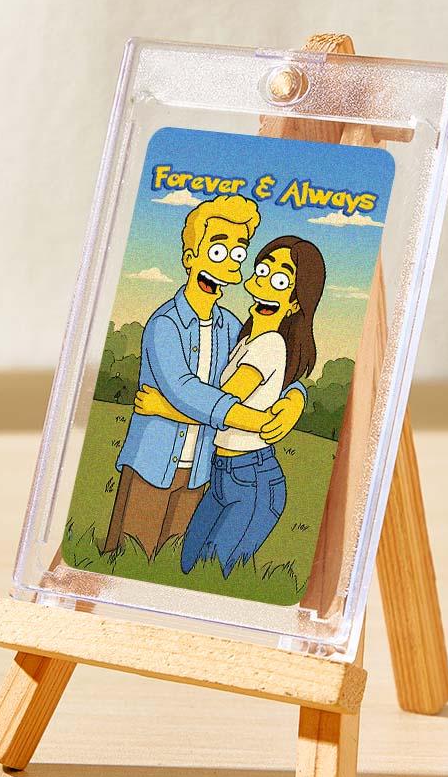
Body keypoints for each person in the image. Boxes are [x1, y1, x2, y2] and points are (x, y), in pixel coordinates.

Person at [102, 195, 307, 560]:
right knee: (131, 557)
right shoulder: (165, 325)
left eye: (238, 254)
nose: (228, 263)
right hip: (152, 464)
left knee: (174, 563)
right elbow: (186, 391)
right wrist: (259, 422)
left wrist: (295, 397)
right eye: (217, 251)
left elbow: (272, 364)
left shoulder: (232, 326)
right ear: (190, 257)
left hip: (201, 470)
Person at [135, 236, 326, 577]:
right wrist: (292, 396)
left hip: (252, 477)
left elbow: (218, 404)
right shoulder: (242, 336)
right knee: (186, 564)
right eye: (263, 271)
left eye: (280, 280)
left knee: (211, 574)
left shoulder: (267, 345)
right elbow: (255, 390)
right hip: (224, 473)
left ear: (296, 303)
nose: (265, 282)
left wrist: (163, 408)